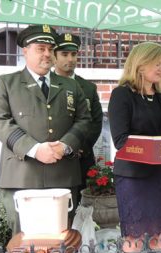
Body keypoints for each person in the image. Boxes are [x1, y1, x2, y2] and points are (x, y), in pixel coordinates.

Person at [0, 24, 91, 235]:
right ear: (25, 51)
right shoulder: (6, 83)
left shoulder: (71, 86)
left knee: (60, 245)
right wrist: (35, 149)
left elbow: (84, 120)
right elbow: (0, 121)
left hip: (62, 176)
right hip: (22, 178)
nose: (47, 54)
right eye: (40, 48)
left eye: (50, 49)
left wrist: (66, 145)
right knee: (24, 248)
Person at [108, 42, 161, 253]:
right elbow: (120, 140)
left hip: (160, 176)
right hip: (134, 177)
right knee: (133, 239)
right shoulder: (122, 95)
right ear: (140, 64)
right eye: (157, 64)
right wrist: (157, 144)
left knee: (158, 237)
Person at [53, 33, 103, 207]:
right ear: (54, 56)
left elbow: (95, 122)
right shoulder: (46, 85)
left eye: (74, 54)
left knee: (82, 208)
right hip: (54, 159)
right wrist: (60, 148)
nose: (71, 59)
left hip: (81, 158)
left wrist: (79, 147)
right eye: (65, 54)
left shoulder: (88, 87)